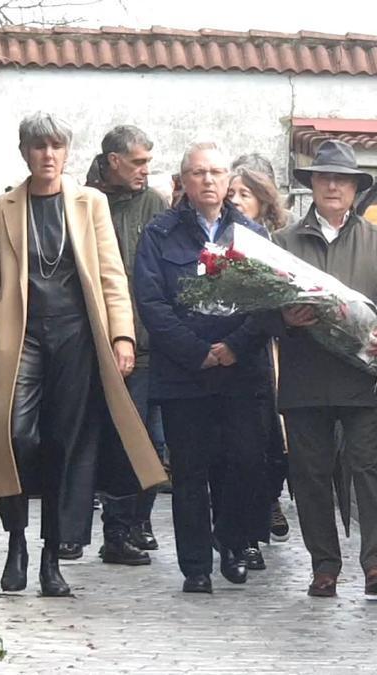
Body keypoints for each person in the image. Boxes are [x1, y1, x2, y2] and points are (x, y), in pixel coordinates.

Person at [0, 112, 165, 597]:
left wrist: (123, 337)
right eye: (38, 147)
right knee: (13, 436)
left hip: (77, 337)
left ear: (67, 153)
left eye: (56, 147)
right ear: (25, 153)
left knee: (63, 446)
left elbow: (112, 274)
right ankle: (16, 538)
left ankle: (51, 557)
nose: (48, 156)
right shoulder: (2, 208)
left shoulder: (89, 202)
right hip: (23, 337)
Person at [272, 139, 377, 597]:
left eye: (342, 179)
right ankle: (324, 568)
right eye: (324, 177)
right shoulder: (283, 244)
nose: (333, 186)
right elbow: (257, 311)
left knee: (371, 471)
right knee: (310, 475)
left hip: (364, 378)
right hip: (305, 378)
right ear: (312, 185)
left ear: (357, 189)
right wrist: (282, 317)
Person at [134, 141, 273, 594]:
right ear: (184, 182)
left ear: (230, 179)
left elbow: (270, 299)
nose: (208, 180)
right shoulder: (160, 234)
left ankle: (232, 543)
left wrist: (234, 346)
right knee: (190, 471)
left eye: (215, 172)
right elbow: (152, 303)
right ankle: (195, 565)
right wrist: (197, 351)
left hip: (241, 373)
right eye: (198, 173)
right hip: (184, 374)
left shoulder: (252, 235)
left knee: (245, 462)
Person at [84, 124, 170, 565]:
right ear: (113, 161)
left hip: (148, 342)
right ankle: (114, 530)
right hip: (96, 342)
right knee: (110, 438)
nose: (144, 171)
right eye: (137, 162)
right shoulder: (84, 200)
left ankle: (136, 522)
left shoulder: (154, 204)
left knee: (147, 440)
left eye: (147, 163)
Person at [225, 165, 291, 563]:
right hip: (228, 353)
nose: (234, 199)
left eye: (244, 193)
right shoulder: (217, 241)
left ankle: (267, 505)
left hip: (269, 355)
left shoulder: (277, 243)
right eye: (231, 192)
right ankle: (241, 532)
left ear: (263, 203)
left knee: (273, 447)